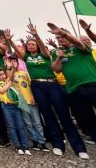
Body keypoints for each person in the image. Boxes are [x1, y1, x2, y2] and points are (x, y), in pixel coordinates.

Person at [9, 22, 87, 157]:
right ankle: (58, 145)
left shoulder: (46, 54)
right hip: (37, 86)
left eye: (33, 44)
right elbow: (17, 51)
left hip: (52, 85)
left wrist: (36, 35)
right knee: (48, 116)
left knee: (64, 115)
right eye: (29, 45)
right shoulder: (26, 57)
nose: (31, 46)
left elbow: (44, 49)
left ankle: (79, 147)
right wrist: (10, 40)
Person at [49, 23, 95, 159]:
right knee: (88, 120)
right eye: (58, 38)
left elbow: (77, 42)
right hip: (74, 89)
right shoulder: (57, 52)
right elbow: (56, 69)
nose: (60, 39)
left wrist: (63, 33)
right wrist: (58, 57)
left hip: (92, 84)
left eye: (61, 36)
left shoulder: (79, 46)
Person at [4, 29, 47, 152]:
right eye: (11, 62)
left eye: (15, 61)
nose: (14, 63)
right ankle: (34, 140)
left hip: (30, 98)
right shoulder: (11, 74)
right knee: (28, 123)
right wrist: (10, 67)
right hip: (21, 101)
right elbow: (9, 80)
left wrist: (33, 95)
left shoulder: (24, 72)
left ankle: (42, 141)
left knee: (37, 122)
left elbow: (30, 84)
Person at [0, 66, 30, 155]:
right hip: (6, 106)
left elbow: (12, 75)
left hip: (15, 105)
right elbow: (1, 90)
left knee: (20, 126)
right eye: (0, 75)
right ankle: (17, 146)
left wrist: (12, 68)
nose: (2, 76)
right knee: (12, 126)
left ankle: (25, 146)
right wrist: (8, 84)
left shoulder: (9, 79)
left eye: (3, 74)